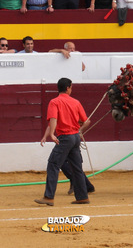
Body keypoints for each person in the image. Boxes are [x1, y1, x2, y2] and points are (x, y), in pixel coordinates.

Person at [34, 78, 91, 206]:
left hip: (65, 137)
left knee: (53, 164)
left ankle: (49, 197)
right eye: (71, 87)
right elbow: (86, 121)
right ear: (67, 88)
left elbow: (53, 119)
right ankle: (82, 196)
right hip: (75, 137)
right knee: (77, 168)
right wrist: (79, 131)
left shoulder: (55, 102)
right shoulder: (75, 102)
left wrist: (52, 134)